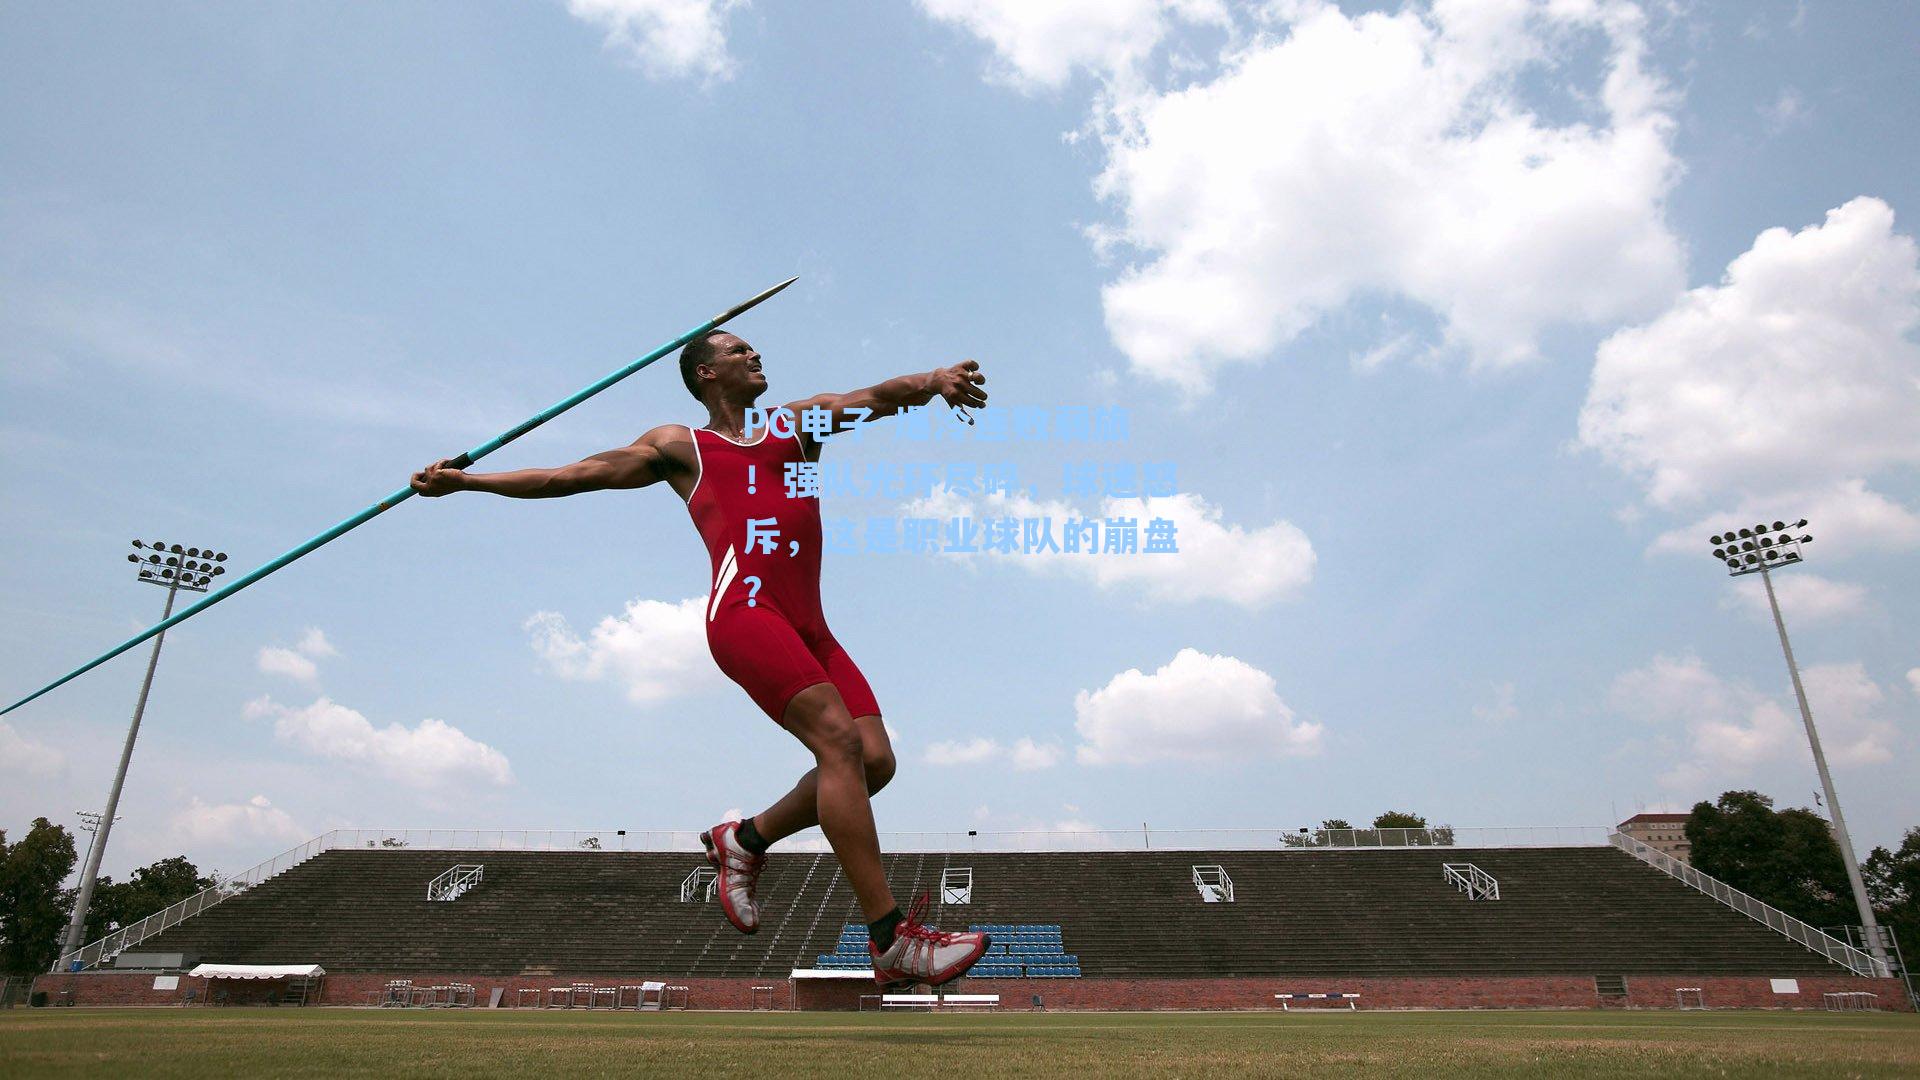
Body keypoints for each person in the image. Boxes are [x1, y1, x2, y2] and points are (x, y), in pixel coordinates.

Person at [410, 330, 991, 987]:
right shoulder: (679, 447)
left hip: (812, 627)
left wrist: (935, 380)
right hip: (745, 612)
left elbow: (876, 398)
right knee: (838, 741)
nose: (756, 354)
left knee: (874, 761)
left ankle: (743, 841)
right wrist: (467, 481)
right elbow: (568, 476)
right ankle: (890, 938)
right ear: (706, 373)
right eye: (739, 350)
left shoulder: (796, 425)